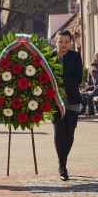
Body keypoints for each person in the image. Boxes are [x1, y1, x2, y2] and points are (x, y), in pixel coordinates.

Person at [52, 29, 83, 181]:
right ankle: (62, 166)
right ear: (55, 42)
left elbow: (78, 78)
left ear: (70, 42)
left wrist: (58, 82)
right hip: (54, 100)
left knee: (69, 133)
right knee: (60, 129)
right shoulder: (49, 57)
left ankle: (63, 160)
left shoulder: (75, 56)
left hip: (72, 100)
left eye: (66, 42)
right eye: (60, 41)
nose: (63, 45)